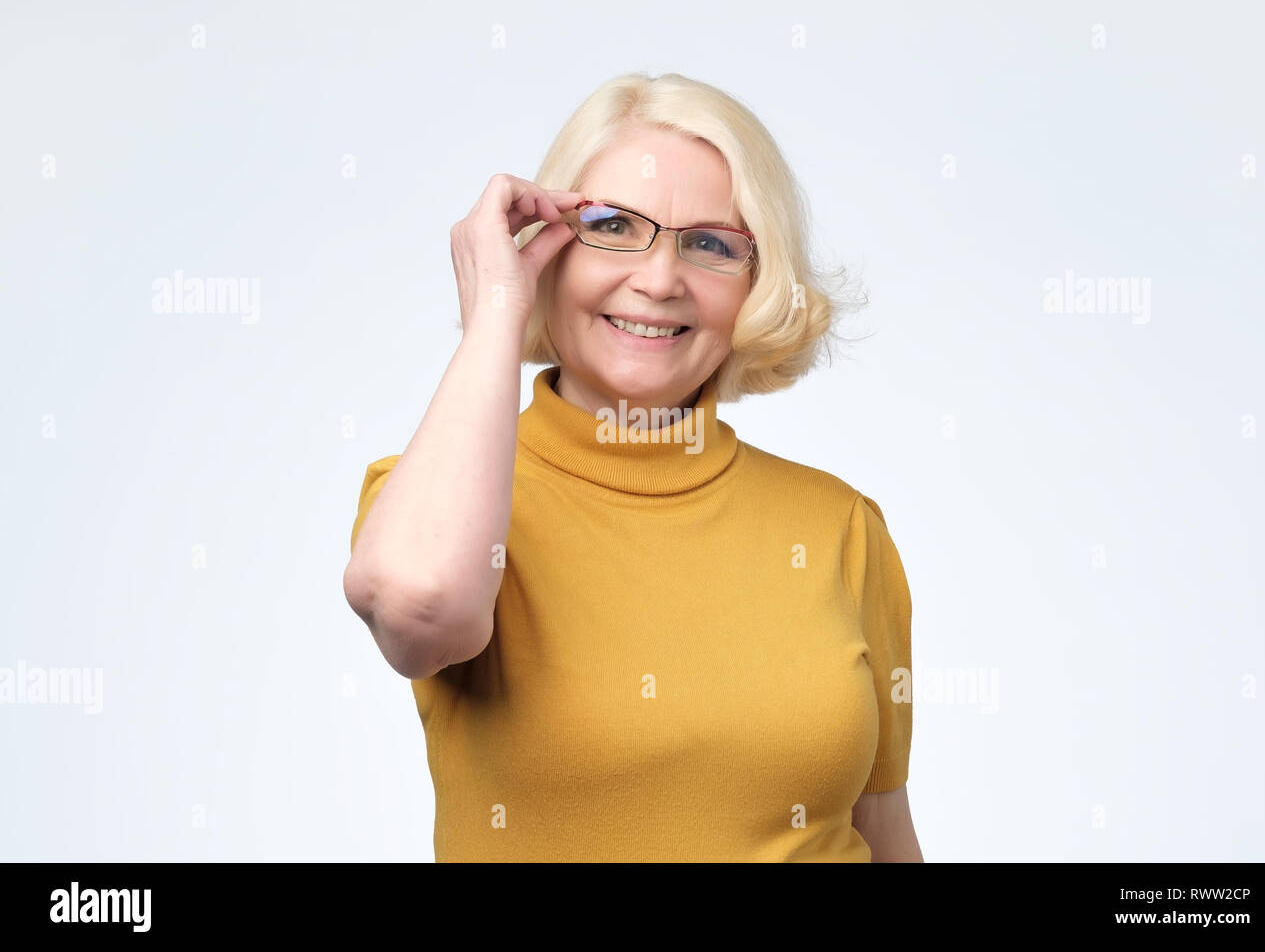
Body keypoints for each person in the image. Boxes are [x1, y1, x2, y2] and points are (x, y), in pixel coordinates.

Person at [343, 71, 922, 862]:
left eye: (712, 244)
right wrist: (497, 315)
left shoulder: (840, 527)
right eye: (613, 226)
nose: (658, 279)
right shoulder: (433, 503)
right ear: (543, 249)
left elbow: (885, 832)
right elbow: (421, 607)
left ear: (755, 282)